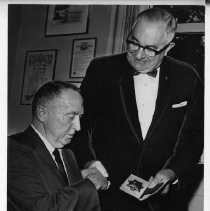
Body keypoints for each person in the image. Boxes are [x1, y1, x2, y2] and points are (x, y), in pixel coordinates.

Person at [71, 7, 204, 211]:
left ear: (169, 47)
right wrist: (89, 163)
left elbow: (194, 137)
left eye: (151, 49)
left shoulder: (187, 77)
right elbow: (78, 127)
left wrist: (171, 173)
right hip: (105, 195)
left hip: (162, 201)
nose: (139, 55)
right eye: (134, 43)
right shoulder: (101, 70)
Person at [7, 81, 109, 211]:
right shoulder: (11, 148)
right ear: (42, 113)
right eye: (71, 116)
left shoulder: (67, 154)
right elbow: (43, 207)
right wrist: (91, 182)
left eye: (80, 117)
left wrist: (81, 178)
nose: (78, 127)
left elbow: (61, 193)